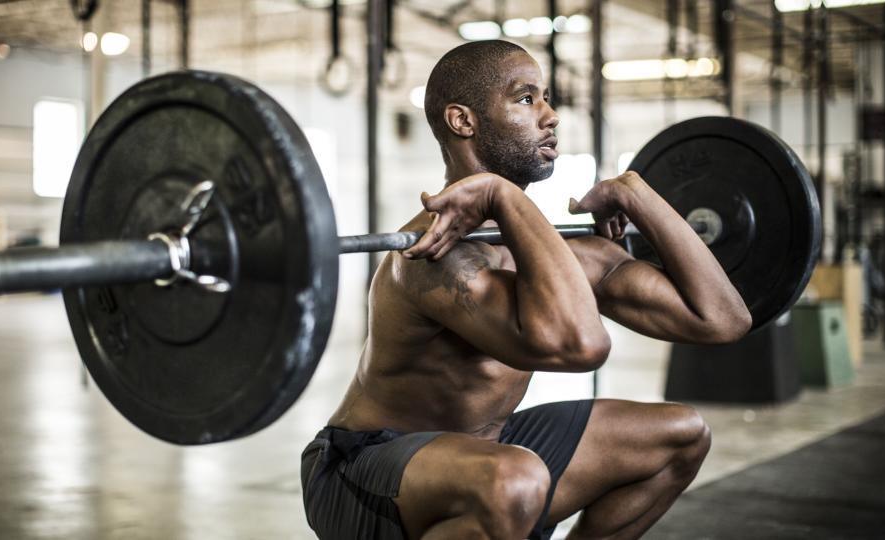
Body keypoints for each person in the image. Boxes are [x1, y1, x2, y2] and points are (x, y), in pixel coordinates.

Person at [301, 40, 751, 540]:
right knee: (515, 480)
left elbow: (723, 318)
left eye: (546, 98)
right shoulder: (434, 256)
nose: (551, 115)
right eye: (525, 99)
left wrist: (637, 193)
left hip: (486, 449)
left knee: (680, 437)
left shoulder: (563, 252)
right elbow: (582, 345)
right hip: (365, 470)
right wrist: (501, 194)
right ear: (462, 121)